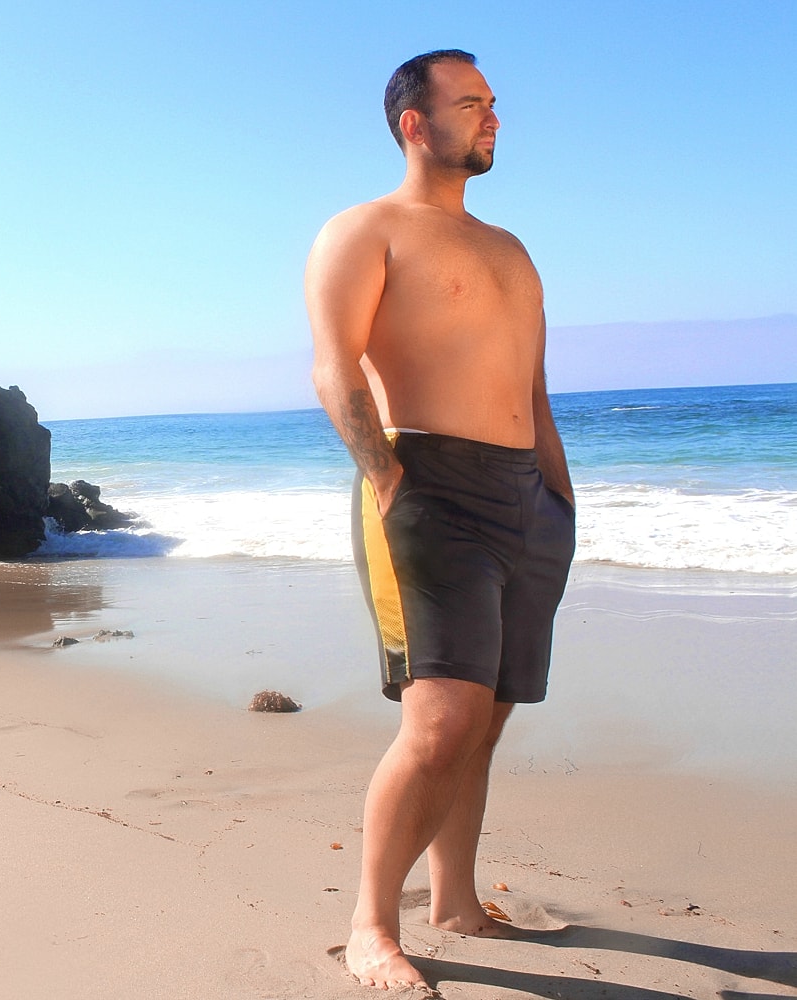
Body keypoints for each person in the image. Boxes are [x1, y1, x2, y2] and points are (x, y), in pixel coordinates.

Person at [305, 49, 575, 990]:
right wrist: (386, 479)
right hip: (426, 486)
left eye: (494, 102)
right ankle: (371, 925)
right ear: (416, 123)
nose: (492, 116)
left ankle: (454, 895)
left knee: (487, 717)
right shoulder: (364, 229)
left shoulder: (511, 249)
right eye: (471, 103)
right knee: (439, 722)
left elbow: (532, 388)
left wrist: (560, 497)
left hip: (524, 498)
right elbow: (333, 366)